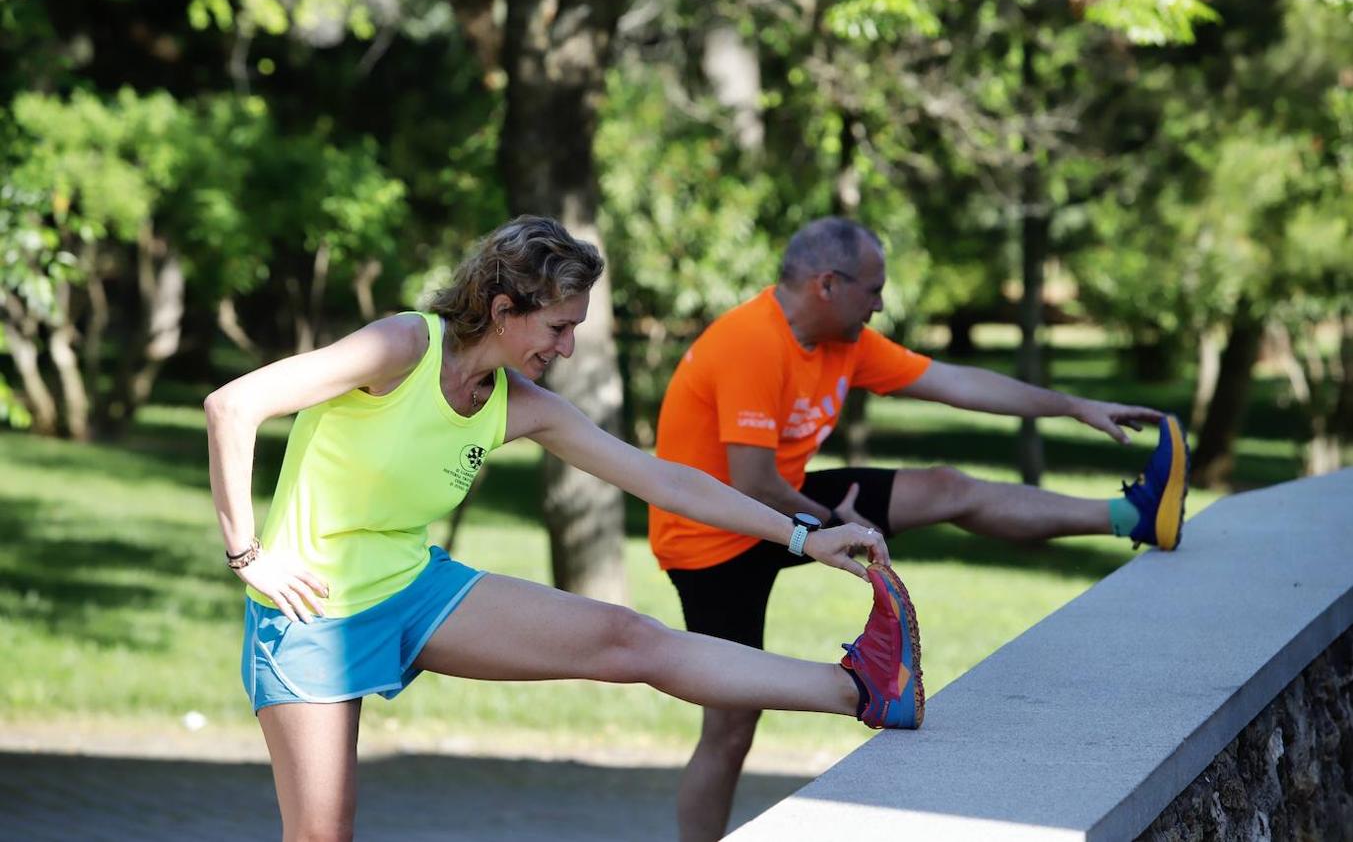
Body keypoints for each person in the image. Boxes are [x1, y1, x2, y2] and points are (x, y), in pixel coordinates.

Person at [205, 215, 923, 842]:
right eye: (558, 327)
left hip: (410, 587)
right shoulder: (400, 348)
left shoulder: (519, 403)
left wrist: (802, 536)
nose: (568, 349)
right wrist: (249, 555)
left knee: (628, 639)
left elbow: (663, 480)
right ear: (503, 308)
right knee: (322, 833)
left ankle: (861, 689)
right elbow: (232, 406)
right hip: (310, 610)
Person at [649, 216, 1189, 842]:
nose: (880, 304)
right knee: (732, 726)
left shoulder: (843, 342)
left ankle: (1132, 517)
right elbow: (751, 481)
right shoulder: (750, 342)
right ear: (827, 284)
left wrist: (1072, 405)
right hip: (711, 539)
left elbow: (957, 383)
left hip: (789, 502)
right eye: (872, 290)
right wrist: (828, 521)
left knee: (947, 488)